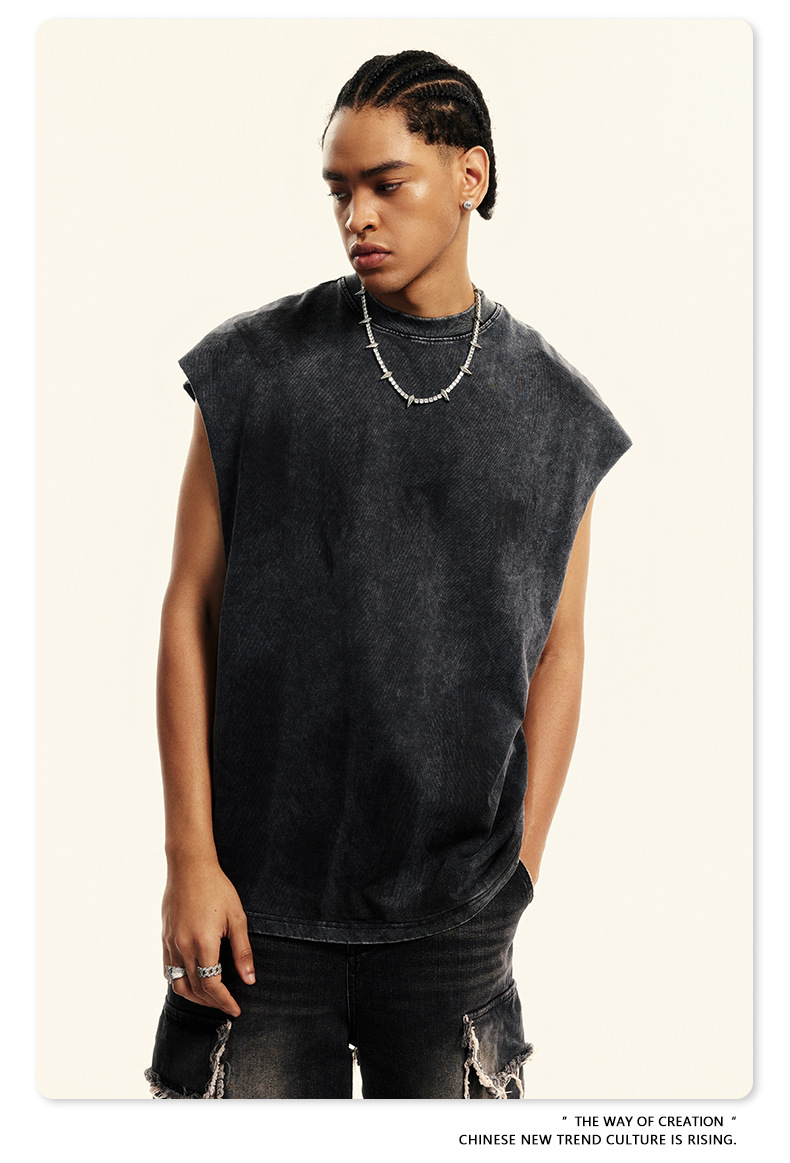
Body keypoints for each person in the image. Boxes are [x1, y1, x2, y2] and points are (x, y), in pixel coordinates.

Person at [144, 49, 632, 1100]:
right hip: (254, 913)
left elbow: (559, 644)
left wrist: (520, 871)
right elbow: (190, 604)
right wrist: (189, 854)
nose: (356, 217)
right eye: (339, 191)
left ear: (470, 176)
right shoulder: (254, 368)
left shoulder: (554, 410)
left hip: (455, 920)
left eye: (386, 184)